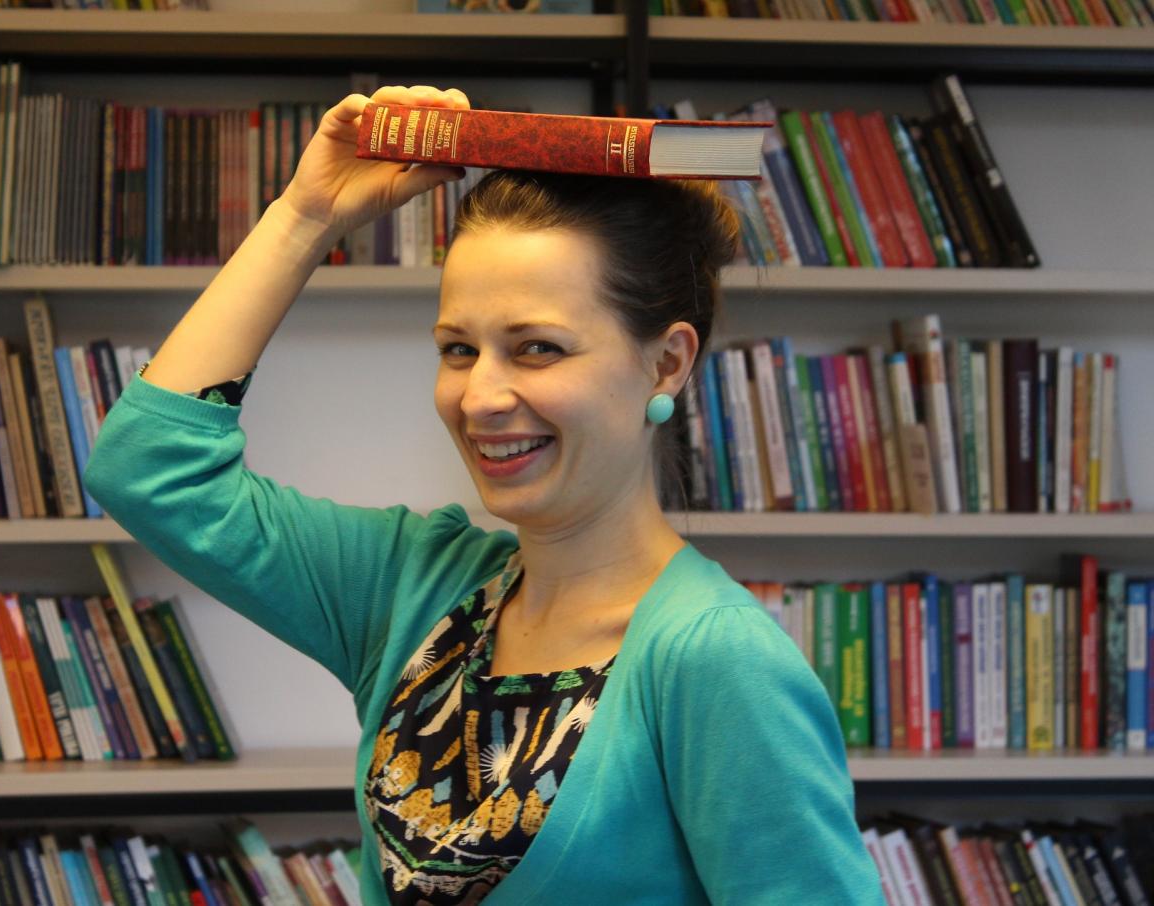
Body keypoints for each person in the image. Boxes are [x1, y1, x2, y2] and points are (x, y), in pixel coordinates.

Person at [84, 85, 885, 905]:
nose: (480, 397)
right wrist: (303, 217)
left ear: (667, 363)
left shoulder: (717, 660)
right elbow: (146, 469)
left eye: (537, 348)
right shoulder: (415, 590)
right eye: (459, 349)